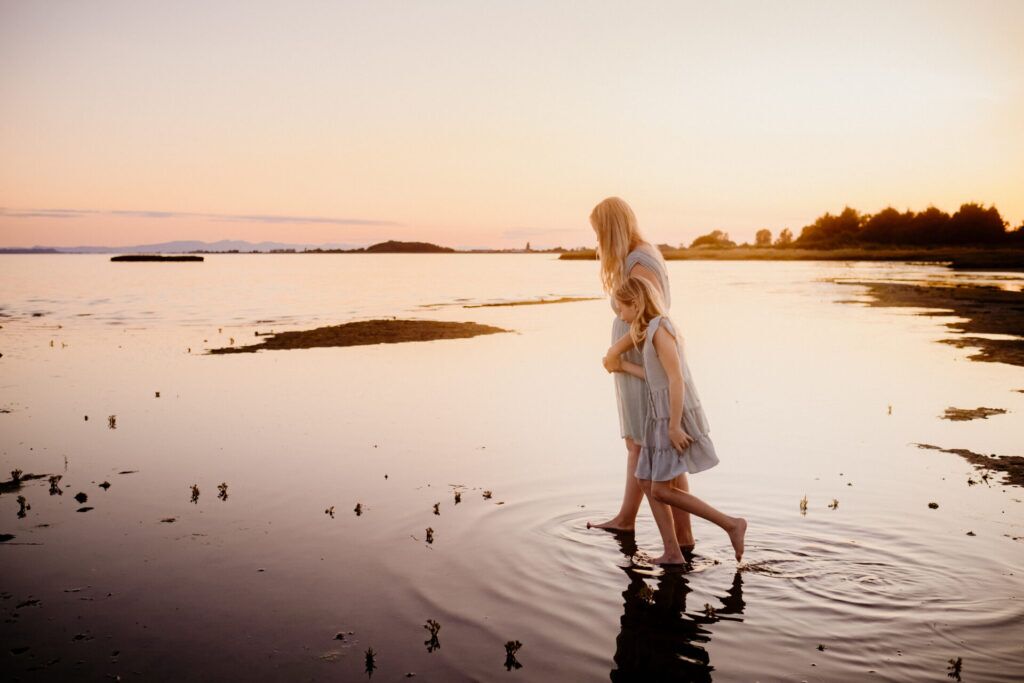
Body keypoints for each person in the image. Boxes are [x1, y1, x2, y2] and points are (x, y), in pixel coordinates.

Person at [606, 276, 746, 564]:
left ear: (635, 303)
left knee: (659, 488)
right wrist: (623, 366)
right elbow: (654, 377)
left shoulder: (660, 329)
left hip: (670, 416)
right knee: (645, 480)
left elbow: (676, 379)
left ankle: (731, 524)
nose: (620, 315)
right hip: (656, 414)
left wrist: (673, 426)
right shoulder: (648, 329)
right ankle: (672, 552)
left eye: (621, 309)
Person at [587, 197, 694, 552]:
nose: (597, 242)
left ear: (610, 230)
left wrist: (616, 353)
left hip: (637, 359)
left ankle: (658, 531)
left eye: (599, 233)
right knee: (651, 445)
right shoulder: (642, 254)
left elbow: (650, 317)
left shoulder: (638, 262)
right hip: (633, 359)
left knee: (643, 442)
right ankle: (649, 526)